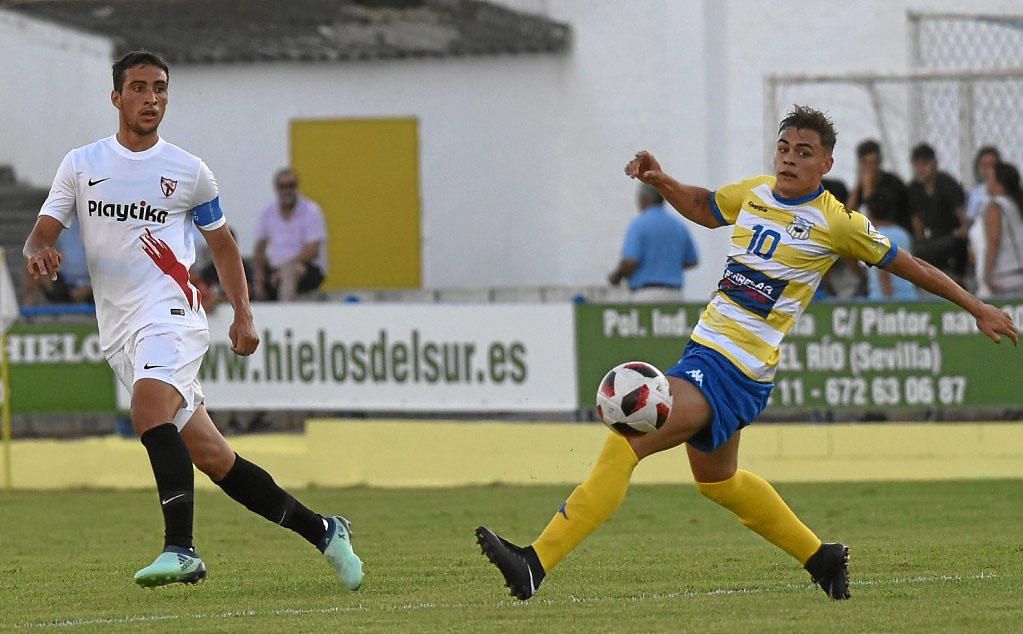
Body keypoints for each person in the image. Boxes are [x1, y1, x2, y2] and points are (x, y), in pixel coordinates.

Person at [475, 105, 1017, 602]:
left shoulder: (838, 223)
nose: (789, 158)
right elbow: (707, 208)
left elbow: (911, 266)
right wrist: (663, 181)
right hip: (706, 352)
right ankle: (821, 557)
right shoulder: (755, 193)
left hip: (735, 368)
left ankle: (535, 563)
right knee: (719, 483)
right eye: (784, 148)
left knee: (626, 443)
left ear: (826, 163)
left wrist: (977, 306)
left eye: (804, 153)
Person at [22, 50, 362, 590]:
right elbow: (43, 229)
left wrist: (244, 315)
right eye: (138, 87)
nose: (151, 98)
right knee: (212, 457)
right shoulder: (81, 165)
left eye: (160, 88)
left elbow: (224, 247)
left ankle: (181, 549)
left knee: (148, 407)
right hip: (119, 332)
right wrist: (37, 250)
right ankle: (325, 530)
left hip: (173, 315)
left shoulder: (188, 171)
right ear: (116, 97)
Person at [607, 184, 699, 302]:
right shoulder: (678, 225)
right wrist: (669, 265)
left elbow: (630, 261)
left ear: (644, 199)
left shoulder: (638, 224)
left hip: (646, 294)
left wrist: (616, 276)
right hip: (675, 294)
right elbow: (692, 261)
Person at [253, 168, 328, 301]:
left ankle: (285, 316)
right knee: (254, 278)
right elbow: (260, 246)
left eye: (291, 185)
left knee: (290, 272)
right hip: (276, 269)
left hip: (306, 267)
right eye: (282, 186)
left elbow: (312, 250)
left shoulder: (311, 211)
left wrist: (285, 268)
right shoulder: (268, 213)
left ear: (297, 187)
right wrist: (259, 272)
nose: (287, 190)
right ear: (277, 189)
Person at [907, 143, 968, 283]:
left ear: (933, 164)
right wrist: (921, 241)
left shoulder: (947, 184)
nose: (920, 169)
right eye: (917, 165)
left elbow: (962, 214)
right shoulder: (913, 189)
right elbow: (917, 222)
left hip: (952, 237)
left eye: (924, 164)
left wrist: (963, 232)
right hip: (931, 241)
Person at [22, 216, 92, 306]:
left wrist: (88, 285)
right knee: (33, 261)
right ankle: (28, 310)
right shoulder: (55, 221)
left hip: (92, 281)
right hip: (62, 281)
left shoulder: (94, 222)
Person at [846, 139, 912, 234]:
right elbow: (848, 213)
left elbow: (882, 218)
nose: (870, 167)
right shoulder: (862, 184)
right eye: (866, 163)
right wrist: (858, 184)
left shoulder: (892, 182)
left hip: (898, 232)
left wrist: (868, 189)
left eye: (874, 162)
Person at [979, 162, 1023, 296]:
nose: (986, 182)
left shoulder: (995, 207)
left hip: (1004, 276)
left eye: (989, 178)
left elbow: (994, 241)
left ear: (1000, 184)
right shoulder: (1015, 204)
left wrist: (986, 276)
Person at [966, 147, 1001, 296]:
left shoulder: (1006, 193)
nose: (988, 170)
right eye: (984, 165)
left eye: (992, 165)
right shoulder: (976, 193)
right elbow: (970, 221)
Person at [865, 198, 916, 301]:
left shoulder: (876, 236)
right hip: (908, 297)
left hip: (883, 300)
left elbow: (883, 271)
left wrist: (890, 303)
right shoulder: (904, 234)